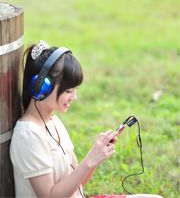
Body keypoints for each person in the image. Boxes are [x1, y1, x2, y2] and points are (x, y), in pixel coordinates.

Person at [10, 41, 163, 198]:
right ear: (42, 86)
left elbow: (78, 184)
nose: (74, 97)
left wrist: (96, 155)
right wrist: (90, 159)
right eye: (69, 90)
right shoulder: (28, 135)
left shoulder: (54, 122)